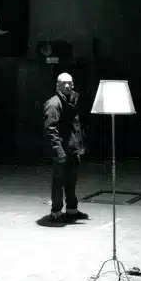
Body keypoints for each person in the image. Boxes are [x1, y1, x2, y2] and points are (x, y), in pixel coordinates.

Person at [43, 72, 89, 223]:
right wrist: (59, 151)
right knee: (59, 182)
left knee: (71, 181)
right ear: (58, 85)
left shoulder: (71, 100)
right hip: (62, 150)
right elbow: (51, 130)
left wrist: (79, 146)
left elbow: (75, 127)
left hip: (71, 148)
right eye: (64, 83)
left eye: (70, 83)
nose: (68, 85)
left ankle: (71, 210)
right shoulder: (54, 103)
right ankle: (56, 212)